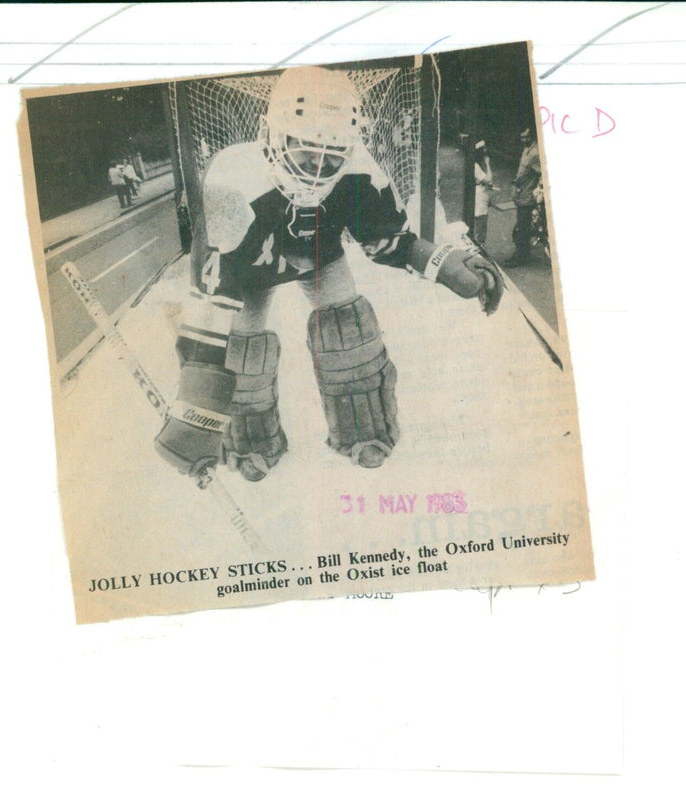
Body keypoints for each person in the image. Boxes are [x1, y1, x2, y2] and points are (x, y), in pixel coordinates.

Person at [155, 67, 503, 483]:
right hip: (250, 270)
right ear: (270, 135)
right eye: (305, 150)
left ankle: (362, 430)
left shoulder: (358, 168)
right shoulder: (233, 180)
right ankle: (249, 439)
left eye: (332, 154)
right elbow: (211, 306)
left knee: (348, 334)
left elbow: (386, 238)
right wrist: (196, 413)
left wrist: (445, 262)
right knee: (240, 350)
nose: (318, 168)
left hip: (318, 253)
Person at [509, 127, 541, 265]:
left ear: (532, 137)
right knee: (522, 227)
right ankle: (521, 254)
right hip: (521, 195)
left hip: (528, 197)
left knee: (522, 228)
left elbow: (541, 174)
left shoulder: (535, 153)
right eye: (522, 137)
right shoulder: (526, 150)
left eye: (527, 137)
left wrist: (538, 190)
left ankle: (521, 257)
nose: (524, 140)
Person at [473, 139, 494, 246]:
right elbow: (489, 180)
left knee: (482, 227)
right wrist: (488, 164)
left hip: (483, 198)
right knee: (480, 229)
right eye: (483, 149)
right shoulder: (476, 166)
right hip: (479, 200)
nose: (485, 150)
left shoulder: (479, 164)